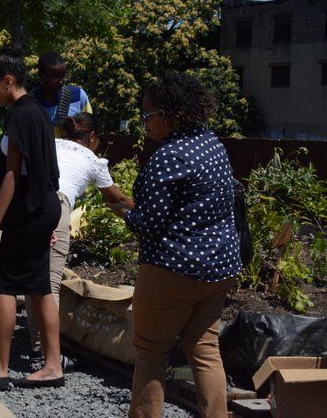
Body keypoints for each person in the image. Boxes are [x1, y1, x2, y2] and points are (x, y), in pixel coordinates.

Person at [107, 72, 241, 418]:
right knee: (206, 350)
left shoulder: (167, 157)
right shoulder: (212, 143)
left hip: (172, 270)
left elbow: (149, 224)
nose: (144, 123)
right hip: (218, 268)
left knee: (151, 354)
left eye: (147, 115)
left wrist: (123, 212)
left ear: (171, 114)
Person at [0, 45, 64, 390]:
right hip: (43, 204)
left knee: (8, 285)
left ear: (8, 80)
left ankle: (0, 368)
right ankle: (53, 364)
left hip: (28, 207)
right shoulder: (39, 111)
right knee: (40, 286)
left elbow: (12, 175)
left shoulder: (18, 115)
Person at [25, 112, 134, 365]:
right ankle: (48, 355)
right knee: (49, 283)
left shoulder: (50, 143)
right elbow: (117, 200)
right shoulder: (91, 158)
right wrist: (145, 211)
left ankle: (36, 344)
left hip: (27, 204)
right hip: (55, 205)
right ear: (92, 136)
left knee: (31, 279)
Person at [31, 52, 92, 137]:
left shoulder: (78, 96)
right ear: (40, 75)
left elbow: (90, 129)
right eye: (54, 78)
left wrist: (76, 130)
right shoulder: (30, 102)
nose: (60, 82)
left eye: (63, 77)